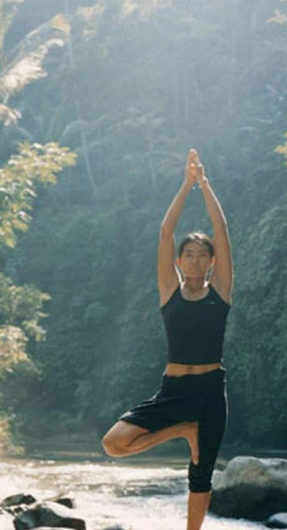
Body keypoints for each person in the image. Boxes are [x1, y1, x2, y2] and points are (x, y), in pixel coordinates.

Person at [100, 149, 232, 530]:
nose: (193, 260)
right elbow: (164, 232)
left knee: (201, 474)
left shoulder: (220, 290)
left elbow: (220, 230)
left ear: (211, 261)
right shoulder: (168, 292)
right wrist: (184, 185)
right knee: (114, 443)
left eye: (201, 254)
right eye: (187, 254)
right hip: (171, 390)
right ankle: (181, 430)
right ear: (178, 261)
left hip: (209, 390)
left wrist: (205, 185)